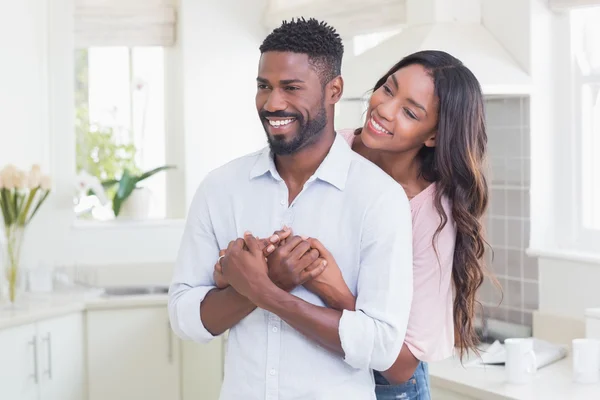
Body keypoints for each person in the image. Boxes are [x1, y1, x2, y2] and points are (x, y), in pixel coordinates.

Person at [218, 50, 491, 400]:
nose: (385, 110)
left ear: (433, 136)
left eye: (410, 112)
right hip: (312, 372)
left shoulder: (431, 214)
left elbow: (400, 366)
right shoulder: (326, 151)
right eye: (388, 90)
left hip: (386, 388)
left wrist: (336, 294)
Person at [168, 18, 414, 400]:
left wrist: (263, 290)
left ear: (334, 90)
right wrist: (266, 284)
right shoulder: (220, 188)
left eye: (291, 87)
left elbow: (382, 344)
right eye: (263, 86)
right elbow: (185, 318)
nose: (272, 103)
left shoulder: (379, 198)